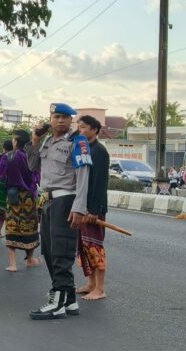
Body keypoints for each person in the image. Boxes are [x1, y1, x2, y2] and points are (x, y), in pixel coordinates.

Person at [25, 103, 92, 320]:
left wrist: (80, 207)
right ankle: (69, 300)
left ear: (72, 120)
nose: (60, 121)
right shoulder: (46, 141)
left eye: (65, 117)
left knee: (62, 253)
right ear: (50, 119)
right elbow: (32, 166)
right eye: (56, 117)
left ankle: (58, 303)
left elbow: (84, 174)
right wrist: (34, 141)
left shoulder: (78, 141)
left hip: (66, 200)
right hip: (48, 201)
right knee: (50, 251)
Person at [0, 130, 40, 269]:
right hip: (29, 198)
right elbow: (38, 177)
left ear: (16, 141)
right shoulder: (32, 156)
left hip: (13, 197)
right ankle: (30, 259)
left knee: (12, 227)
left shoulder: (8, 156)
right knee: (30, 228)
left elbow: (0, 173)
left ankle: (13, 264)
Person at [73, 116, 110, 301]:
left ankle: (100, 288)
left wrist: (94, 210)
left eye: (84, 128)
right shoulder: (85, 149)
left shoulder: (99, 151)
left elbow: (99, 183)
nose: (80, 131)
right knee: (84, 246)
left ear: (95, 129)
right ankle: (91, 284)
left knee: (94, 246)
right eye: (78, 127)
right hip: (82, 206)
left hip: (94, 208)